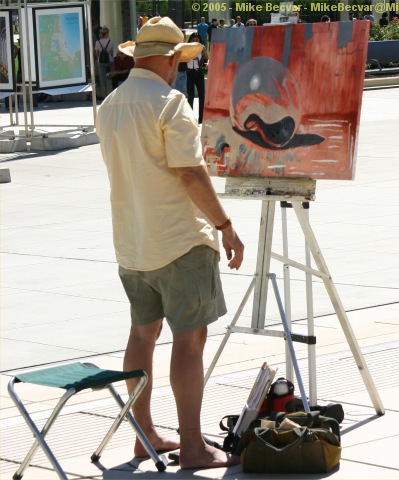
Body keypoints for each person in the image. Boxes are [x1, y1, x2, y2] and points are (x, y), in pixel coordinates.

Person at [96, 16, 244, 469]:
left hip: (133, 241)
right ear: (169, 59)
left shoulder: (111, 104)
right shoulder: (169, 102)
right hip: (180, 240)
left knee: (142, 334)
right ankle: (194, 447)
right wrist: (225, 225)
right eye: (179, 59)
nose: (180, 68)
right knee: (189, 340)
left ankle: (144, 435)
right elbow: (189, 172)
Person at [186, 32, 208, 124]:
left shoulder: (202, 48)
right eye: (193, 40)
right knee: (190, 96)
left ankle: (201, 118)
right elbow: (182, 59)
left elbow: (206, 58)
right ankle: (190, 117)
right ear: (190, 40)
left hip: (199, 73)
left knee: (202, 95)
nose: (195, 41)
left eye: (197, 40)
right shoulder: (186, 48)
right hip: (189, 73)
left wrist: (204, 51)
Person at [95, 26, 114, 98]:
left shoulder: (97, 42)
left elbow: (97, 53)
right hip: (110, 61)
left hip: (101, 61)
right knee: (111, 77)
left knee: (103, 80)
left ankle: (105, 96)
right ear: (107, 33)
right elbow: (112, 52)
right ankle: (111, 95)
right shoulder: (111, 42)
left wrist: (99, 58)